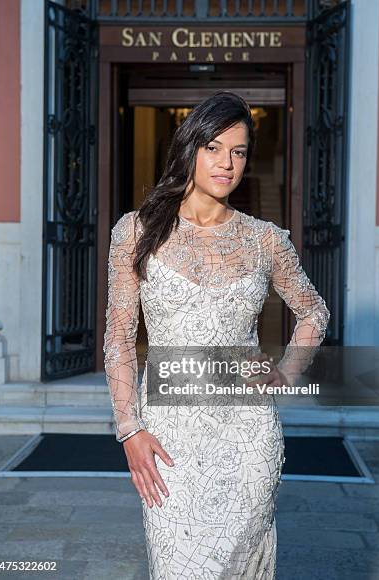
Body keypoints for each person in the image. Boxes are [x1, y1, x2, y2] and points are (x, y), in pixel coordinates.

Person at [103, 90, 330, 579]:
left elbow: (313, 311)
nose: (228, 163)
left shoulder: (265, 239)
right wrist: (130, 428)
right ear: (190, 148)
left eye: (240, 151)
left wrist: (288, 371)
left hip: (247, 438)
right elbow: (119, 336)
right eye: (215, 148)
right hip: (169, 437)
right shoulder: (136, 232)